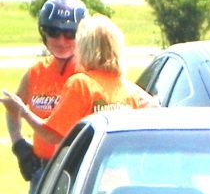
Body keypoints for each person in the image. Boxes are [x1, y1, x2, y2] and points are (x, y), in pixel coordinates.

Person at [2, 13, 153, 154]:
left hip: (87, 168)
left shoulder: (81, 84)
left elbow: (52, 135)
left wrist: (23, 111)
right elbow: (153, 110)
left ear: (86, 48)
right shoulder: (126, 87)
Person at [3, 0, 88, 194]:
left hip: (81, 171)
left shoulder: (90, 74)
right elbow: (13, 107)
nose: (61, 40)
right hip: (43, 172)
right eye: (53, 32)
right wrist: (18, 144)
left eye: (70, 33)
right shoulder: (36, 73)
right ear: (43, 33)